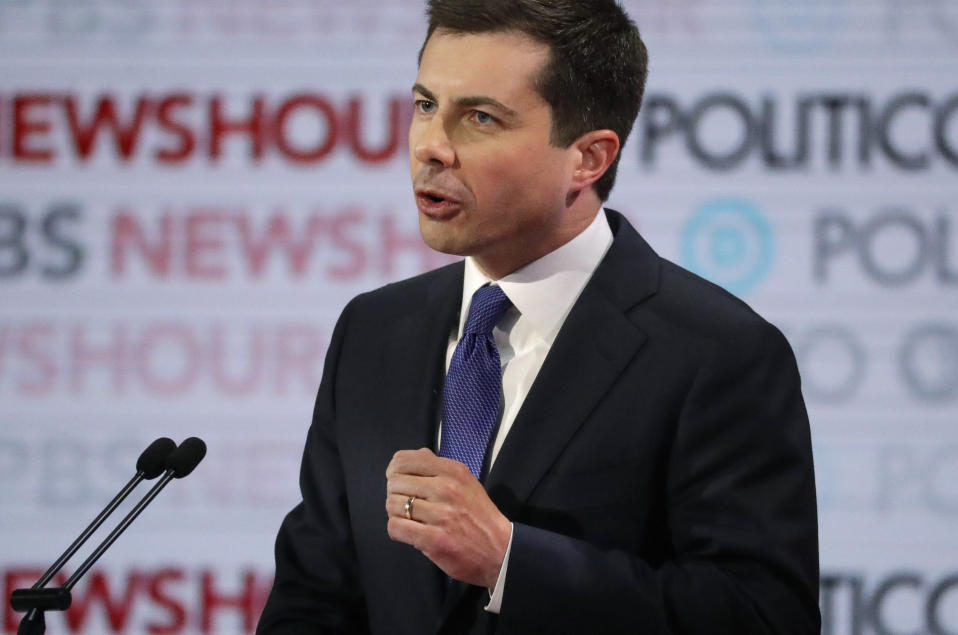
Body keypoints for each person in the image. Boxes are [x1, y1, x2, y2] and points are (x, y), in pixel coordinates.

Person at [256, 1, 820, 633]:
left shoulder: (717, 352)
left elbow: (764, 618)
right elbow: (313, 594)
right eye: (424, 105)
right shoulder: (373, 330)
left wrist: (510, 562)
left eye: (480, 118)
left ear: (588, 158)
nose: (431, 147)